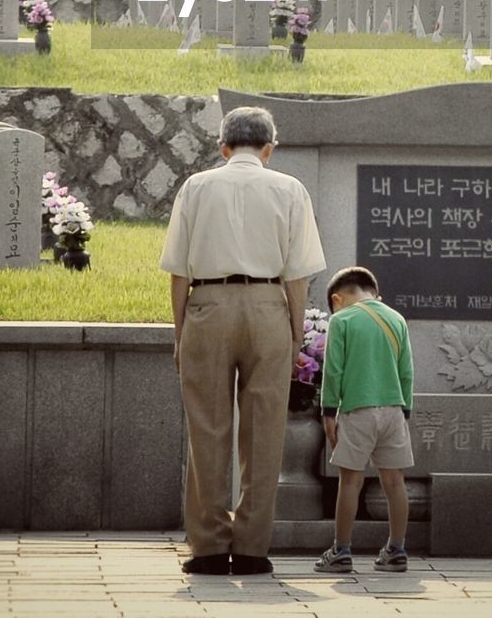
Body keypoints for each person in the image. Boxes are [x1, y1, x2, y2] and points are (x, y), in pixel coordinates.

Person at [160, 106, 326, 577]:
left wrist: (180, 331)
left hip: (208, 305)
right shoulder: (290, 189)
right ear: (269, 149)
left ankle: (209, 546)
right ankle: (253, 548)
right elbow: (298, 275)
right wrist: (295, 334)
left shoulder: (196, 186)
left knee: (207, 429)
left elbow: (178, 270)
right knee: (265, 429)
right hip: (269, 304)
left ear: (223, 146)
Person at [314, 265, 414, 575]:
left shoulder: (342, 320)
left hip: (357, 411)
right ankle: (396, 549)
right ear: (374, 294)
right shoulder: (396, 319)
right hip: (394, 411)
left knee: (351, 481)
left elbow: (333, 371)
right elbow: (407, 371)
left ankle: (341, 551)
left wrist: (329, 411)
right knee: (395, 482)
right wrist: (405, 410)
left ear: (337, 299)